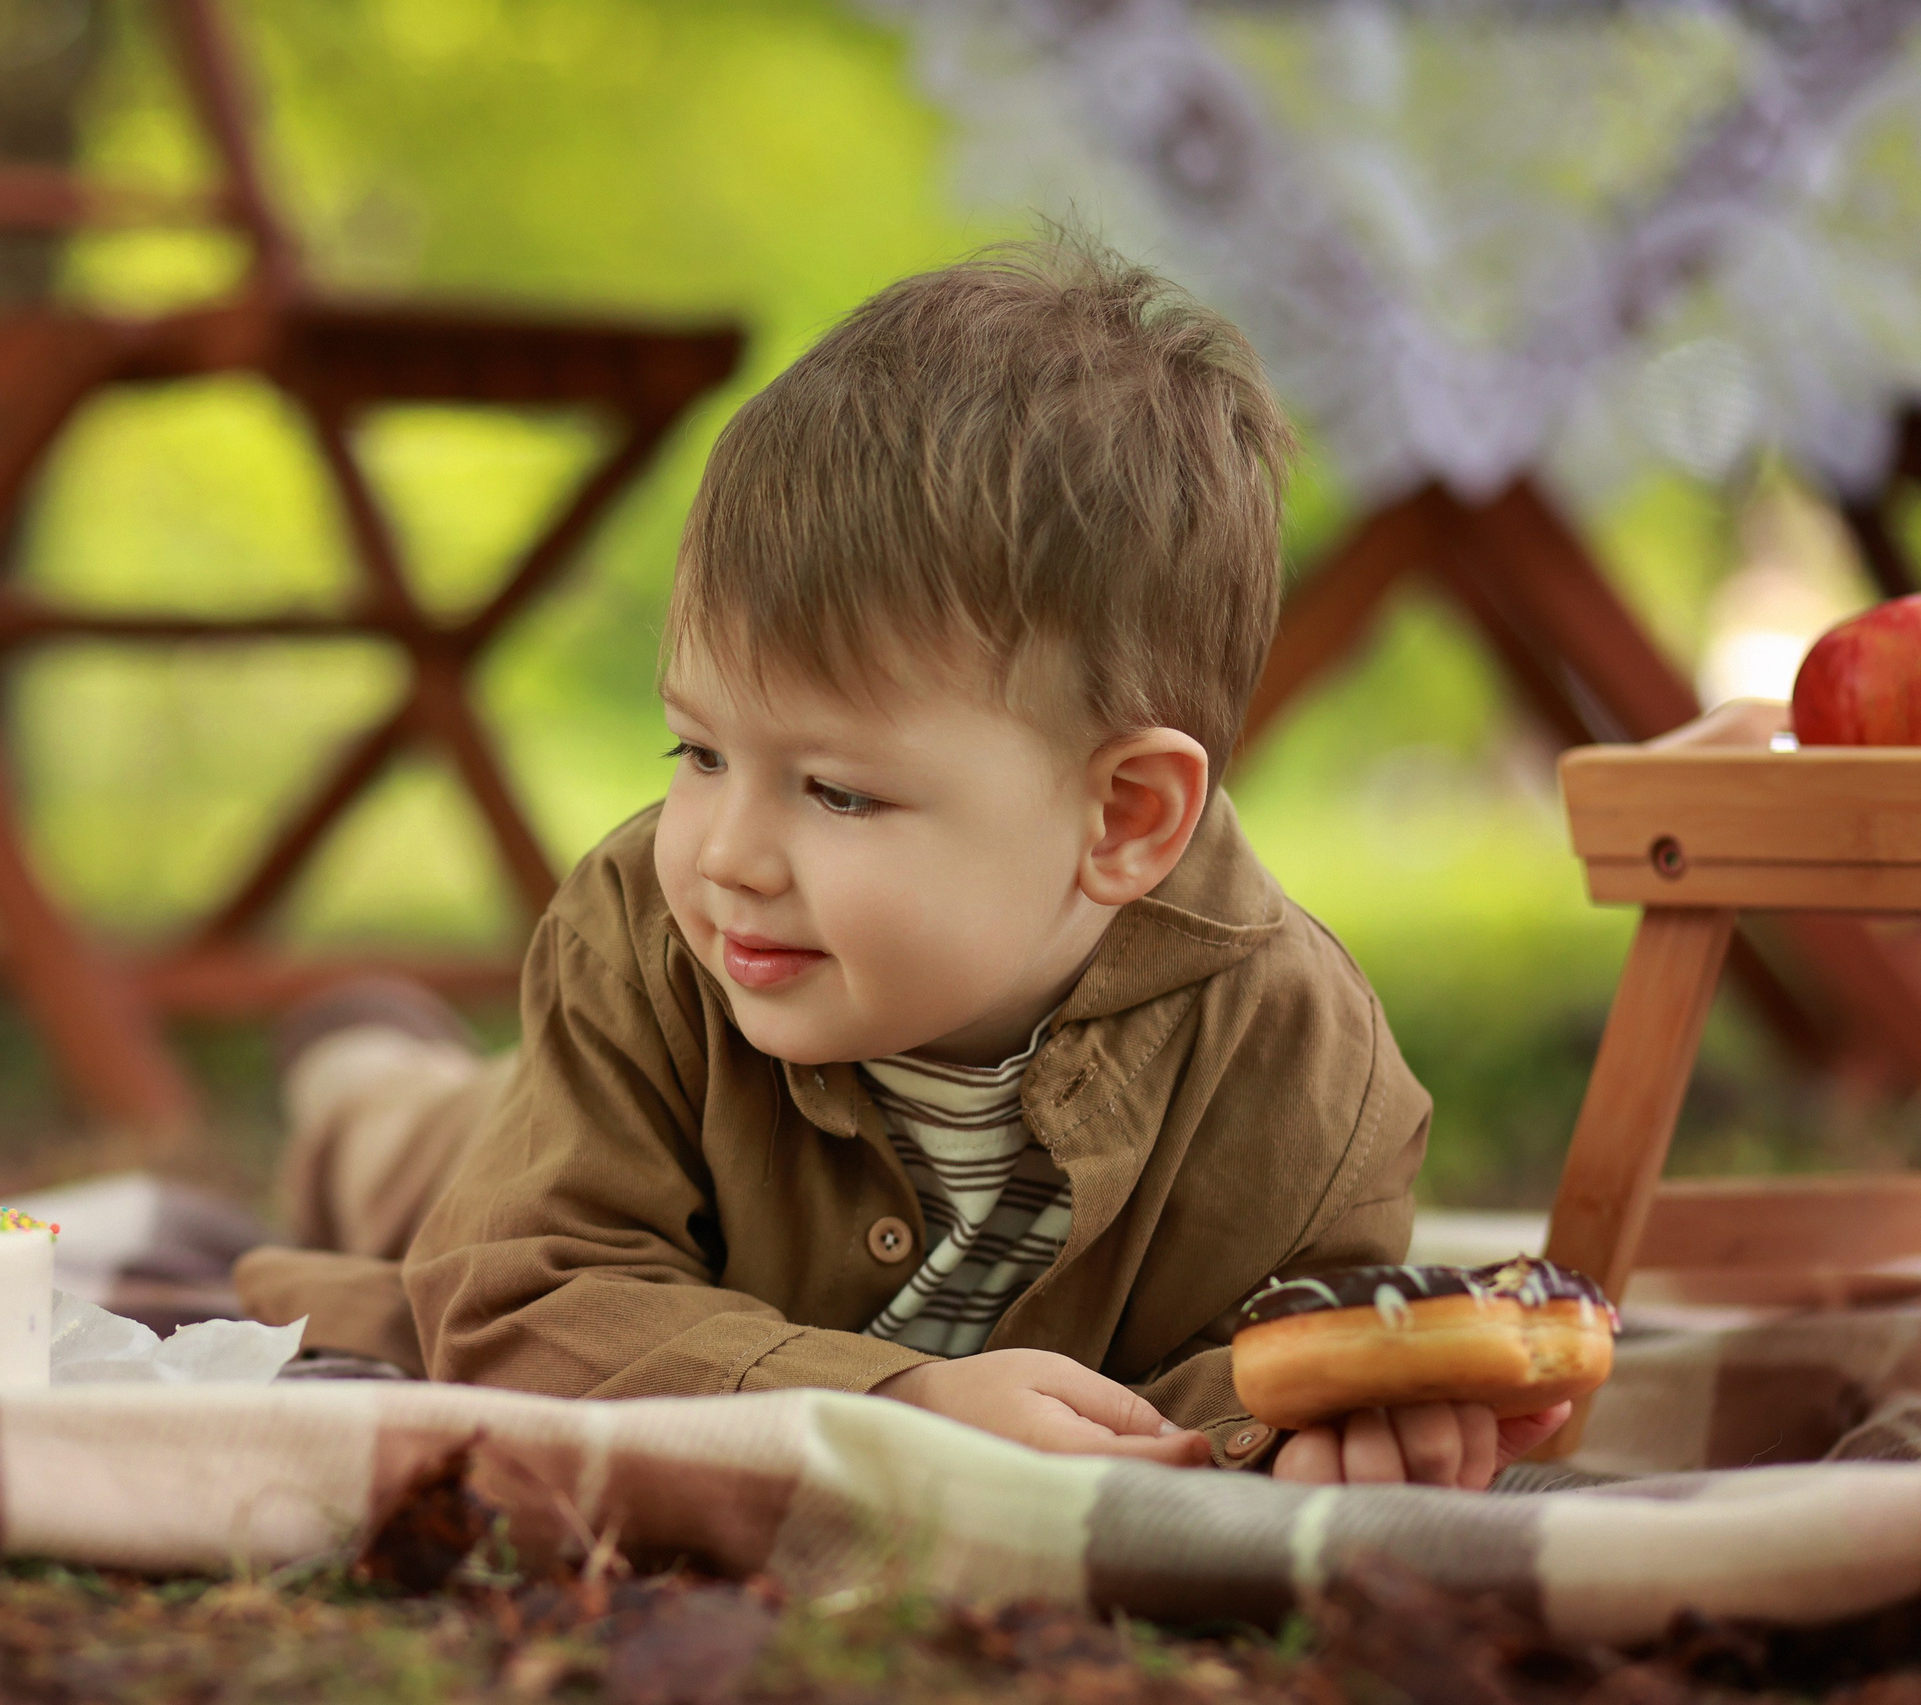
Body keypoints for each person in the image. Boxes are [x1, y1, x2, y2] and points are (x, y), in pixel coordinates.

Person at [235, 235, 1568, 1488]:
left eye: (838, 791)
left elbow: (1256, 1353)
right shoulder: (644, 929)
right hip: (533, 1141)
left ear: (1123, 819)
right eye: (695, 753)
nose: (730, 852)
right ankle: (362, 1068)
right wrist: (893, 1400)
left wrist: (1316, 1421)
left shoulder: (1305, 1069)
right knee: (422, 1145)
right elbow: (522, 1288)